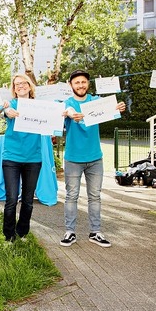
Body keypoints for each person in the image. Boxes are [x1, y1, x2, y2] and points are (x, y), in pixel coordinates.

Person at [60, 69, 126, 248]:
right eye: (76, 82)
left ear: (87, 84)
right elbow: (67, 109)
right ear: (71, 85)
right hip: (73, 158)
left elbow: (110, 108)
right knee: (71, 196)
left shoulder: (95, 101)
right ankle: (69, 232)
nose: (80, 85)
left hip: (95, 158)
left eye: (83, 82)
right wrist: (71, 113)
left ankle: (95, 232)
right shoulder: (67, 103)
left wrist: (118, 107)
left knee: (95, 197)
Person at [1, 74, 42, 243]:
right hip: (12, 158)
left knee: (28, 200)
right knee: (11, 199)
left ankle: (22, 232)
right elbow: (5, 111)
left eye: (23, 83)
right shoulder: (10, 104)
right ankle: (9, 235)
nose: (20, 86)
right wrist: (7, 112)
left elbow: (53, 118)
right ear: (13, 88)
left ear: (29, 85)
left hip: (33, 158)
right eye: (16, 84)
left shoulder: (40, 106)